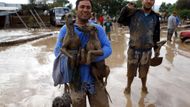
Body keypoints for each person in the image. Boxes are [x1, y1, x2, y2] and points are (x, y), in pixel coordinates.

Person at [54, 0, 112, 107]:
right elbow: (57, 51)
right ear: (76, 9)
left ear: (91, 10)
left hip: (96, 79)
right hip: (75, 79)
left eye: (88, 7)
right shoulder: (65, 29)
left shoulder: (97, 28)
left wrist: (91, 58)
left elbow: (108, 48)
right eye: (82, 7)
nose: (85, 10)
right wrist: (74, 58)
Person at [118, 0, 160, 94]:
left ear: (153, 2)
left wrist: (156, 48)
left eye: (152, 0)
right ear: (142, 1)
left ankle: (144, 86)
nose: (149, 1)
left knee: (144, 71)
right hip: (133, 49)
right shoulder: (133, 13)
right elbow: (120, 20)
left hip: (147, 50)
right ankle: (128, 86)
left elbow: (156, 35)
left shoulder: (155, 17)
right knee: (130, 72)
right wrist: (126, 8)